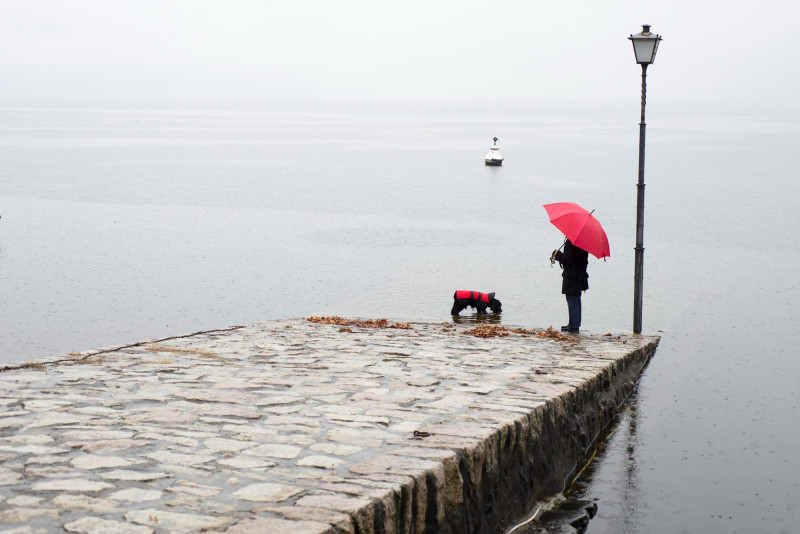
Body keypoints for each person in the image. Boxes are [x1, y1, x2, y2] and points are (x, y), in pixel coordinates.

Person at [551, 239, 589, 332]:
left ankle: (574, 326)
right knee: (576, 300)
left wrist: (558, 255)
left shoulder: (571, 242)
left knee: (572, 300)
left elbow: (568, 260)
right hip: (580, 275)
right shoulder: (584, 241)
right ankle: (574, 323)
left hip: (572, 276)